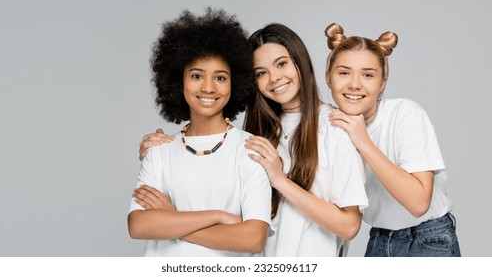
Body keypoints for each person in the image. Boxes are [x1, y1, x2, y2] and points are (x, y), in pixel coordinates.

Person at [137, 23, 367, 257]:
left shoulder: (335, 126)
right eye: (261, 73)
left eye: (281, 64)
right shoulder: (257, 132)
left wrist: (279, 180)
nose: (274, 78)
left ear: (300, 61)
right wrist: (161, 152)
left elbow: (349, 227)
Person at [127, 8, 271, 257]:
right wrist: (217, 216)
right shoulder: (159, 149)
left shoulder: (250, 150)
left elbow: (253, 238)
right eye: (196, 75)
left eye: (220, 78)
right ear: (177, 81)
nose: (208, 87)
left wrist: (173, 221)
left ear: (234, 83)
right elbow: (139, 225)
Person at [324, 23, 461, 257]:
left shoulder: (405, 114)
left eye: (368, 75)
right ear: (328, 77)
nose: (355, 84)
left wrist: (363, 142)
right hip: (379, 238)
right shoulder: (329, 125)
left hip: (427, 238)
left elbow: (418, 203)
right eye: (344, 72)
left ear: (383, 82)